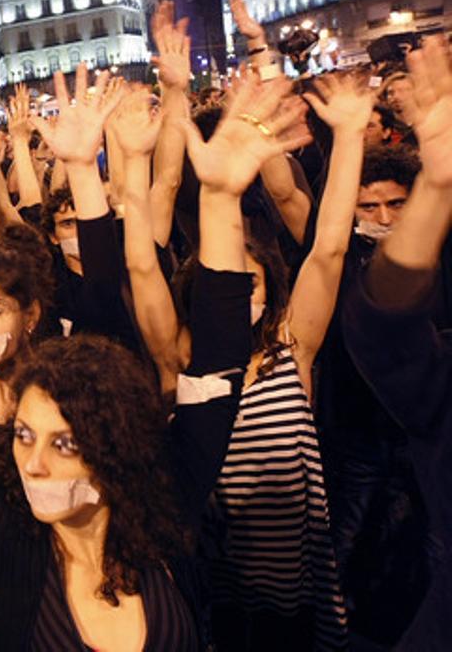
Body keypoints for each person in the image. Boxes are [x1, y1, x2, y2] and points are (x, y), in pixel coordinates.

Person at [0, 67, 306, 649]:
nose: (34, 464)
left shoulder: (168, 504)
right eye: (24, 436)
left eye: (64, 442)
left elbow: (216, 363)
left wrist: (221, 198)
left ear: (113, 443)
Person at [120, 70, 362, 648]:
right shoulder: (183, 358)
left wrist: (350, 137)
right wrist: (131, 163)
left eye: (251, 286)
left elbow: (328, 248)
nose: (241, 301)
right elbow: (140, 267)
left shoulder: (292, 342)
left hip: (294, 581)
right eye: (228, 290)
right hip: (217, 576)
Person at [341, 32, 452, 652]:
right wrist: (438, 187)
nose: (382, 217)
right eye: (371, 207)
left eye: (397, 206)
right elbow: (384, 323)